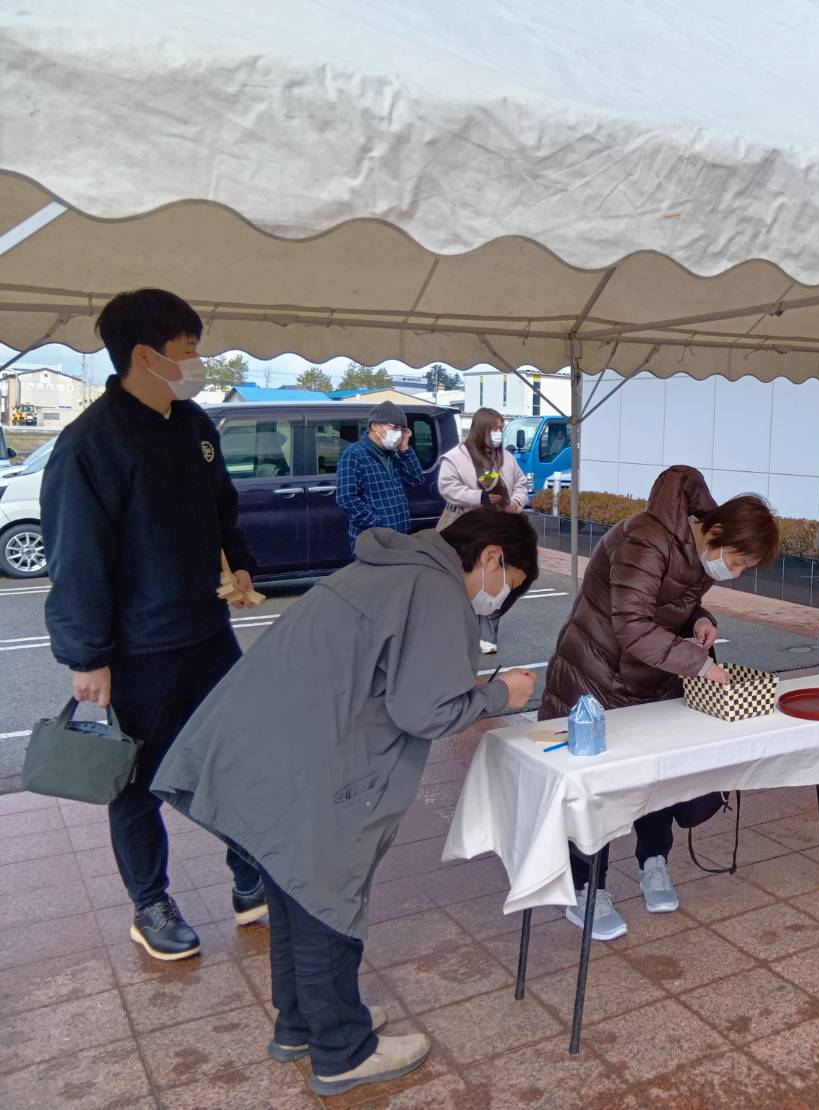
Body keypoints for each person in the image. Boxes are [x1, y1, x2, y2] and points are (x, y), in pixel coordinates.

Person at [152, 510, 540, 1097]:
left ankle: (300, 1024)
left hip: (262, 747)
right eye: (508, 584)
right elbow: (426, 711)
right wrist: (500, 694)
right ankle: (342, 1050)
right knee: (326, 901)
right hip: (312, 760)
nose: (499, 600)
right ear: (491, 557)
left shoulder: (390, 565)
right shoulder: (435, 588)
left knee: (290, 887)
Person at [41, 287, 266, 962]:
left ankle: (251, 879)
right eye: (188, 350)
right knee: (137, 783)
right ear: (144, 354)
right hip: (137, 649)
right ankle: (151, 905)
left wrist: (241, 566)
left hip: (207, 632)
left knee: (235, 757)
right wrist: (87, 657)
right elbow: (76, 558)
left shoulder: (194, 424)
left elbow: (222, 511)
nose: (199, 362)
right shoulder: (91, 445)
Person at [541, 467, 780, 940]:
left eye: (744, 569)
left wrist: (699, 620)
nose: (733, 574)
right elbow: (632, 624)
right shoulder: (646, 539)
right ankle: (586, 887)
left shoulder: (694, 547)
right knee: (596, 790)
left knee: (658, 780)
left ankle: (654, 862)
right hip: (597, 678)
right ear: (716, 531)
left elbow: (669, 603)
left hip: (650, 681)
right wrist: (700, 665)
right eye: (736, 562)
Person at [438, 407, 532, 655]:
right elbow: (447, 487)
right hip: (462, 523)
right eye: (494, 428)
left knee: (496, 579)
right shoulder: (456, 457)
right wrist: (479, 497)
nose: (498, 433)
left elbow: (521, 483)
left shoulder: (506, 458)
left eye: (501, 428)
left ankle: (488, 635)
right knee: (460, 579)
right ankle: (459, 632)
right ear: (481, 429)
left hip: (497, 525)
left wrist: (517, 501)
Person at [335, 401, 429, 545]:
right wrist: (377, 524)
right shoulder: (354, 454)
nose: (398, 433)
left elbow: (416, 480)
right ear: (375, 425)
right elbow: (346, 498)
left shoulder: (393, 454)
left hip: (399, 536)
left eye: (402, 429)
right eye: (394, 427)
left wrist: (405, 448)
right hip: (373, 539)